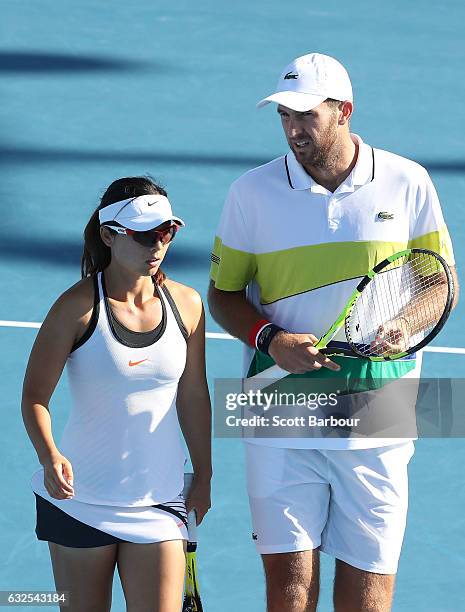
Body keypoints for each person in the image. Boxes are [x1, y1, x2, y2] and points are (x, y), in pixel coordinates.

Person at [208, 53, 458, 612]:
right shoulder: (250, 194)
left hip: (383, 405)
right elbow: (222, 295)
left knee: (368, 591)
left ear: (344, 111)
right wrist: (271, 339)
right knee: (289, 590)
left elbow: (439, 284)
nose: (294, 128)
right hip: (280, 400)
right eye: (284, 116)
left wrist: (404, 323)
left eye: (307, 115)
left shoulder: (407, 181)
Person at [22, 177, 212, 612]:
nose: (158, 244)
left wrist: (204, 473)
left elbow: (194, 395)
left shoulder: (187, 304)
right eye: (145, 234)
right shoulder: (76, 308)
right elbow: (34, 396)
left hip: (160, 503)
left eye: (167, 231)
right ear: (108, 235)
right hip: (79, 501)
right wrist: (49, 454)